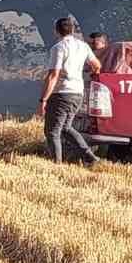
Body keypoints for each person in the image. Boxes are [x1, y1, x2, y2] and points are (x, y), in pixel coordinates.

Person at [39, 16, 101, 164]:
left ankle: (57, 165)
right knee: (66, 128)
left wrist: (43, 99)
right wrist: (90, 75)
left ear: (56, 31)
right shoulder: (83, 46)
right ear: (73, 30)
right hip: (78, 93)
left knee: (52, 131)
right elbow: (97, 65)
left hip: (62, 93)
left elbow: (53, 75)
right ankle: (90, 157)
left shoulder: (58, 48)